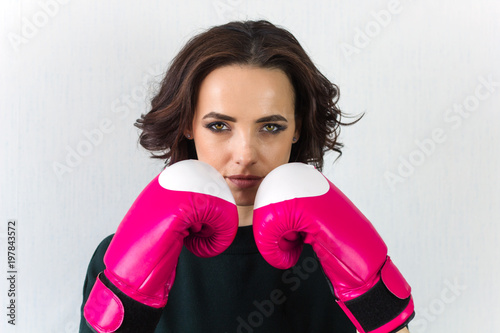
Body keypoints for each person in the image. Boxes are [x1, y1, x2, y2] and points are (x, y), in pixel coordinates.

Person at [79, 20, 414, 332]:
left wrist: (371, 292)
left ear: (296, 128)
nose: (246, 155)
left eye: (270, 127)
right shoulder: (121, 256)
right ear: (188, 125)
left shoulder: (337, 253)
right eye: (219, 126)